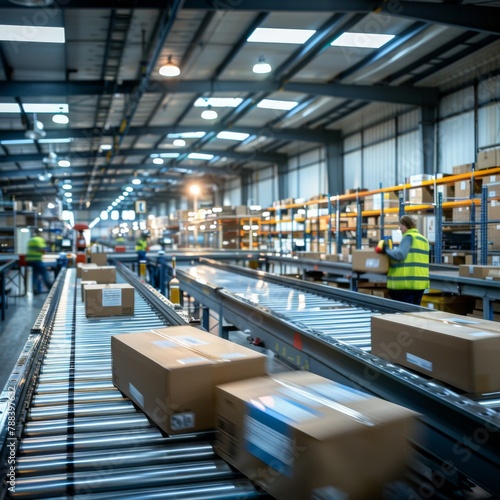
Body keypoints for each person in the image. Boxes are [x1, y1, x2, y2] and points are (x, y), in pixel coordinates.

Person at [376, 215, 430, 305]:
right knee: (415, 311)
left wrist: (385, 250)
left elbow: (400, 255)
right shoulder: (423, 239)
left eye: (400, 226)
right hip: (420, 283)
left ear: (405, 225)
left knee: (405, 313)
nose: (400, 229)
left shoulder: (408, 237)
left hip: (407, 283)